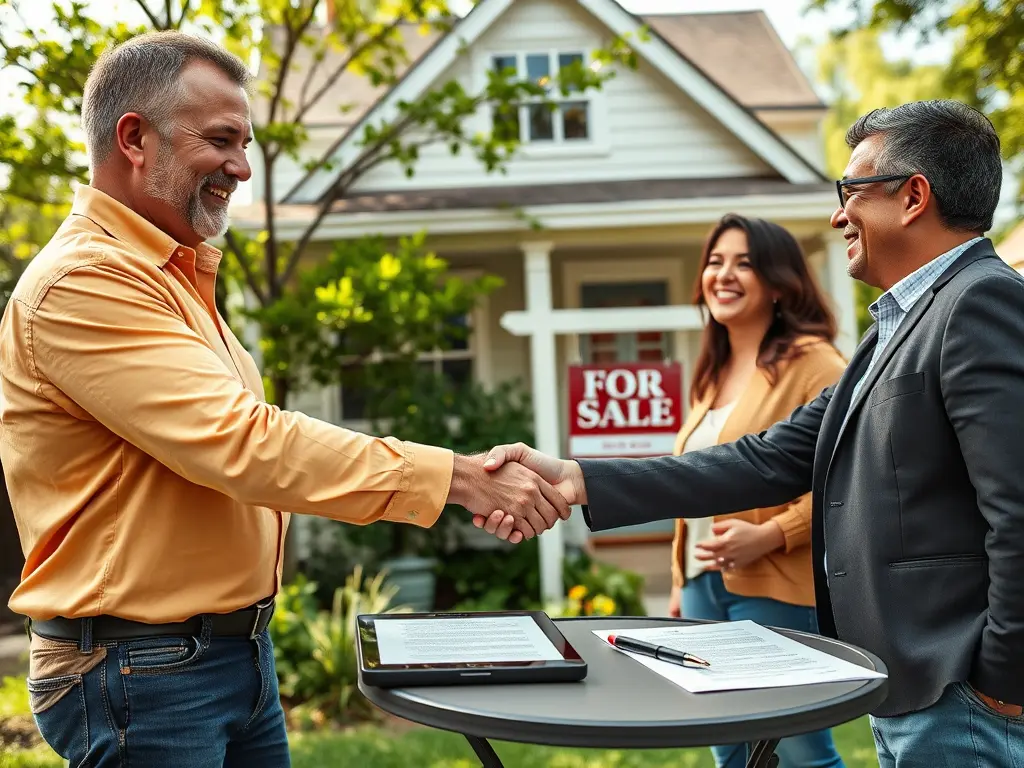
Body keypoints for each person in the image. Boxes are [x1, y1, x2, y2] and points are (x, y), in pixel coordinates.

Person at [0, 32, 563, 768]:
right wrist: (458, 478)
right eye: (222, 140)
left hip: (223, 655)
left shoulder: (174, 277)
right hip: (143, 671)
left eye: (246, 142)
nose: (241, 166)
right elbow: (244, 443)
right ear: (134, 138)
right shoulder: (85, 284)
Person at [480, 100, 1024, 767]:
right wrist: (577, 477)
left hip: (963, 692)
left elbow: (1019, 510)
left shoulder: (979, 302)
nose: (836, 215)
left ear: (914, 197)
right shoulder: (896, 326)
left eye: (849, 191)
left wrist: (1004, 677)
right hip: (916, 688)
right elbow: (769, 459)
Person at [669, 213, 847, 768]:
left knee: (799, 753)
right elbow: (689, 486)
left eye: (743, 262)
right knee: (731, 752)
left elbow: (852, 476)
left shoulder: (815, 362)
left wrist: (772, 534)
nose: (723, 274)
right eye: (715, 262)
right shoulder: (710, 373)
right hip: (702, 589)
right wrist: (680, 584)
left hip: (775, 586)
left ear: (778, 280)